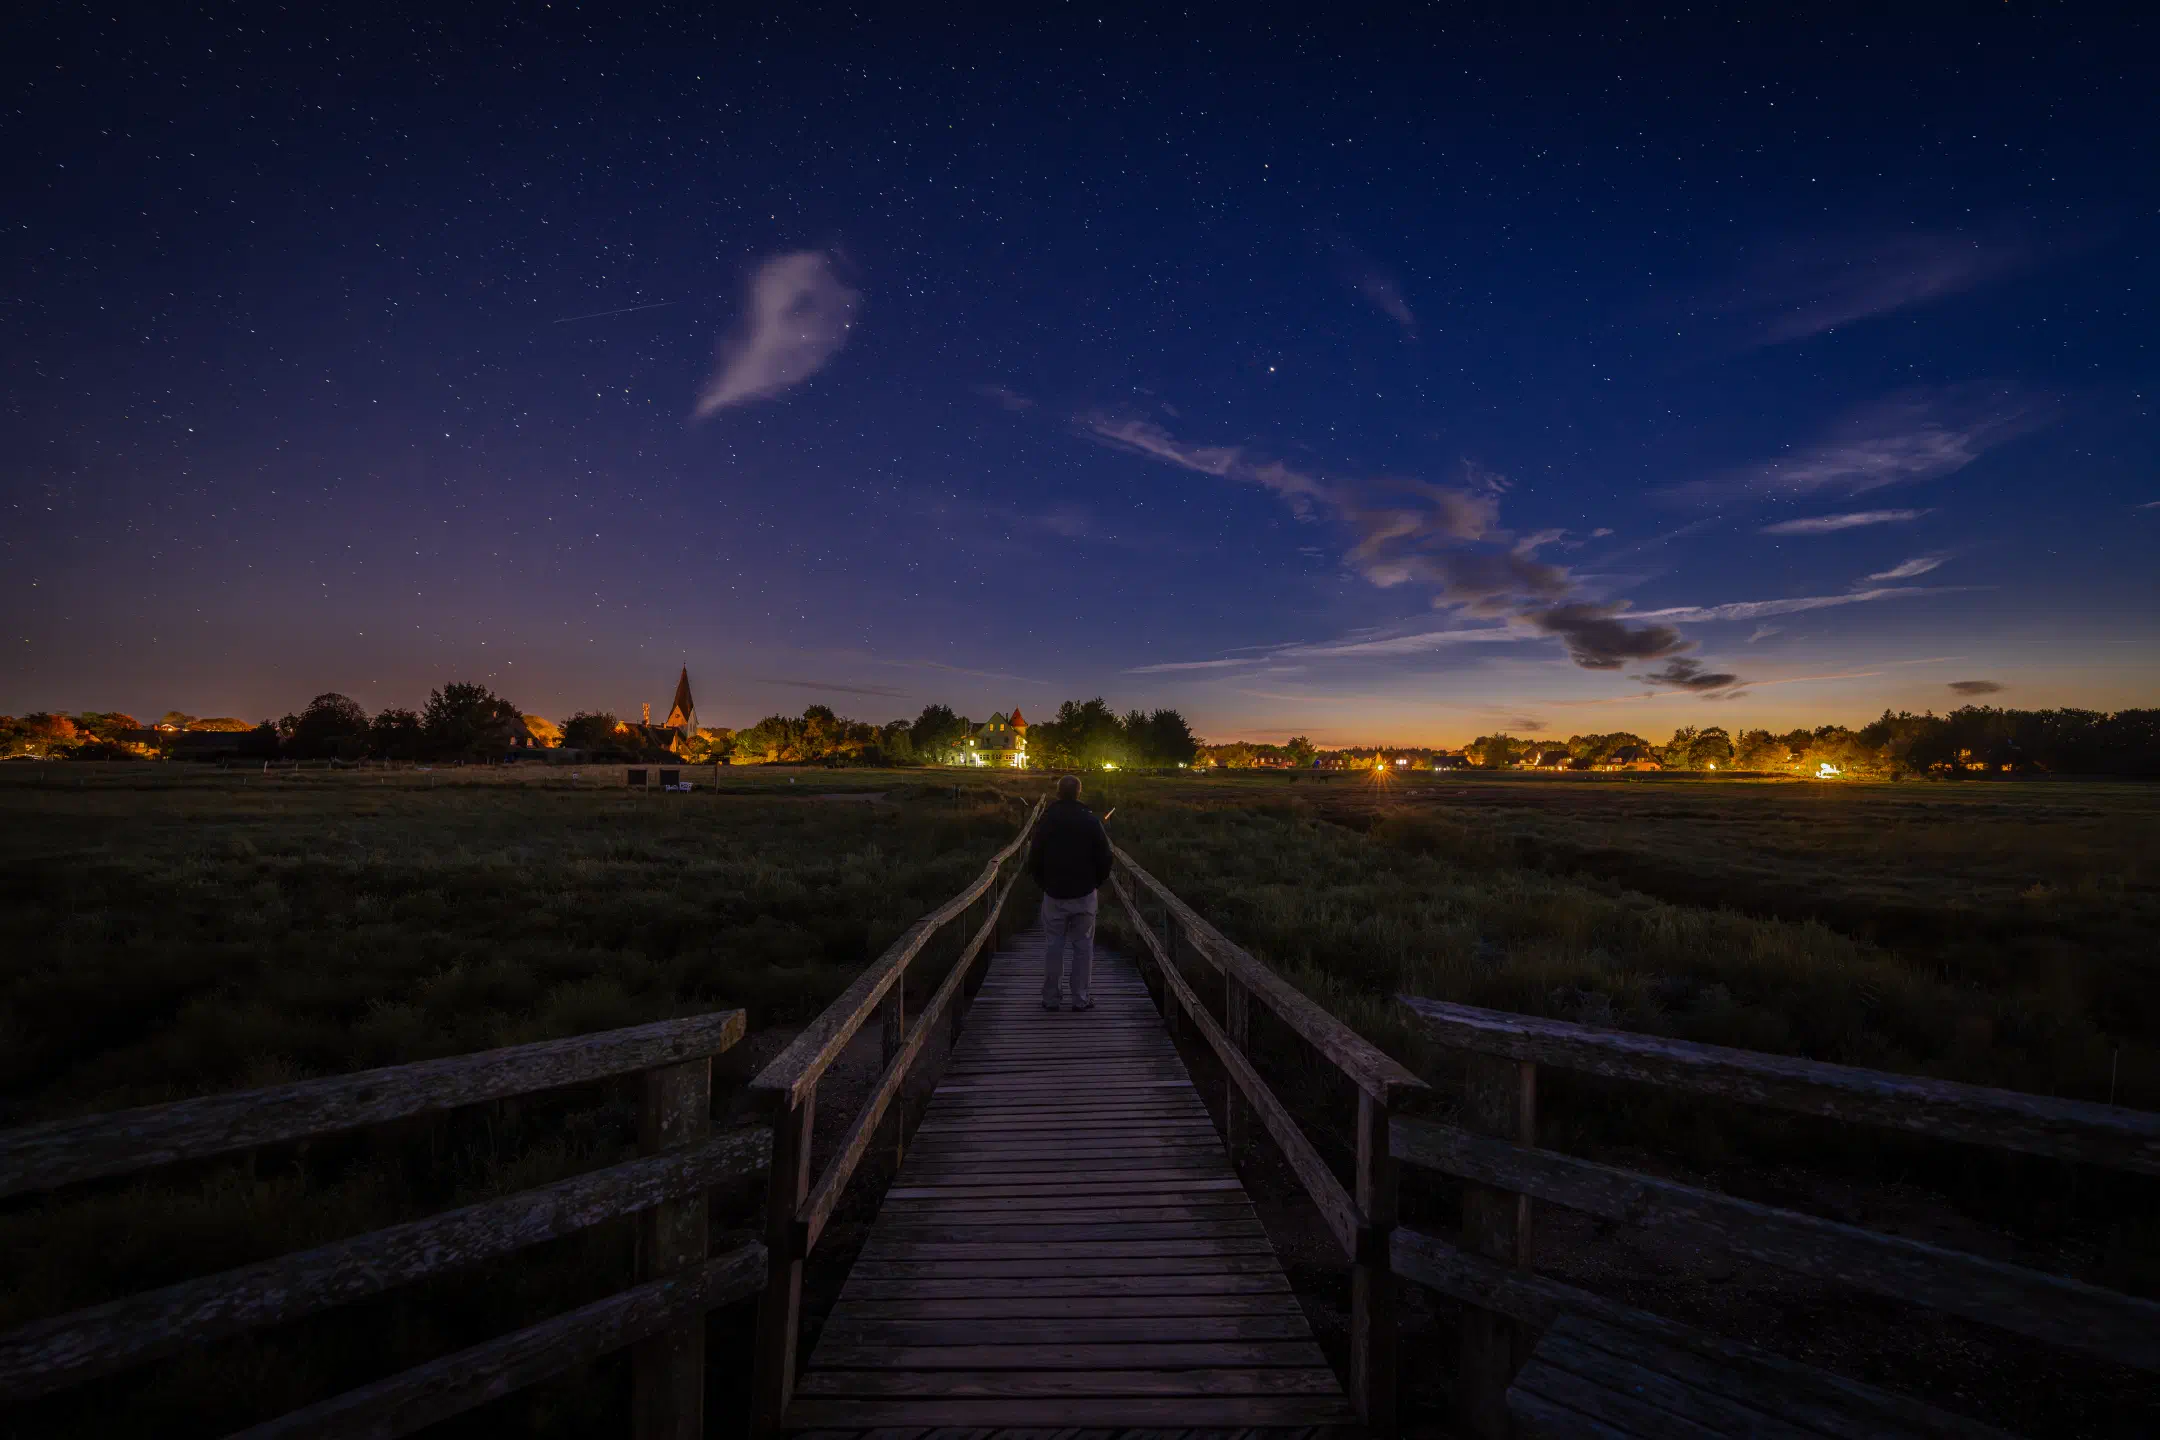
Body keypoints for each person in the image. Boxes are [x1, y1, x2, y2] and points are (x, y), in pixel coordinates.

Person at [1027, 773, 1113, 1010]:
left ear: (1058, 793)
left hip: (1054, 893)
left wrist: (1044, 884)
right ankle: (1081, 998)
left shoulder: (1047, 820)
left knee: (1054, 946)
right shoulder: (1090, 820)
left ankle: (1051, 998)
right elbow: (1105, 857)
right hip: (1084, 893)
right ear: (1078, 792)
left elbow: (1034, 857)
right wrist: (1095, 882)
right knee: (1083, 947)